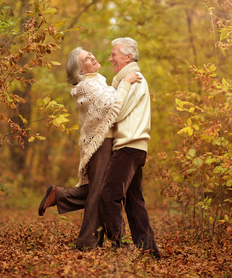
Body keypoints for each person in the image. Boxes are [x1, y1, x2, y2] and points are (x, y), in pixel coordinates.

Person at [38, 47, 141, 250]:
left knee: (103, 190)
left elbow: (115, 103)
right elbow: (110, 105)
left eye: (91, 54)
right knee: (100, 192)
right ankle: (88, 242)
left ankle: (59, 196)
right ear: (81, 70)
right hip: (99, 144)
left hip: (109, 141)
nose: (93, 57)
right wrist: (126, 83)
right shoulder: (85, 87)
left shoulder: (99, 81)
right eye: (86, 58)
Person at [99, 37, 160, 259]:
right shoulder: (127, 78)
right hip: (135, 146)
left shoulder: (133, 79)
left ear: (128, 56)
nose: (110, 58)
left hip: (129, 146)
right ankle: (149, 250)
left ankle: (121, 248)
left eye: (114, 54)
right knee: (134, 202)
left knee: (109, 196)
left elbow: (117, 111)